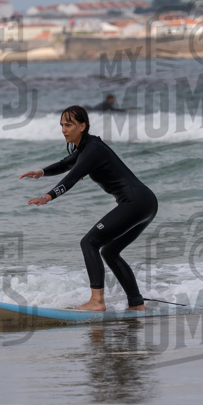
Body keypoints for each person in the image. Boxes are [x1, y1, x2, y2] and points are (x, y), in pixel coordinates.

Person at [19, 105, 158, 311]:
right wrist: (41, 172)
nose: (64, 129)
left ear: (82, 126)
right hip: (146, 203)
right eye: (62, 125)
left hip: (135, 202)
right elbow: (66, 164)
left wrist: (47, 197)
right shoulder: (89, 147)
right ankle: (136, 303)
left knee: (89, 242)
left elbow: (72, 176)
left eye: (69, 125)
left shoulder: (93, 149)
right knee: (110, 251)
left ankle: (97, 301)